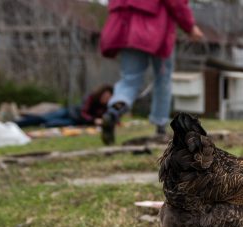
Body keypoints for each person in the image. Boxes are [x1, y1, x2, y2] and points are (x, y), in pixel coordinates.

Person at [99, 0, 204, 145]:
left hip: (126, 28)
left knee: (129, 80)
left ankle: (115, 109)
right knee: (163, 79)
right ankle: (160, 127)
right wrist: (190, 26)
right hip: (157, 29)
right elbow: (176, 3)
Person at [15, 85, 113, 129]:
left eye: (109, 97)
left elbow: (110, 116)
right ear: (101, 93)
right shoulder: (91, 98)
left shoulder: (106, 106)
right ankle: (17, 123)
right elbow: (83, 112)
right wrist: (94, 120)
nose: (106, 98)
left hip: (75, 121)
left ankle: (22, 123)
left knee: (49, 124)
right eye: (105, 96)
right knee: (43, 118)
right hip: (70, 112)